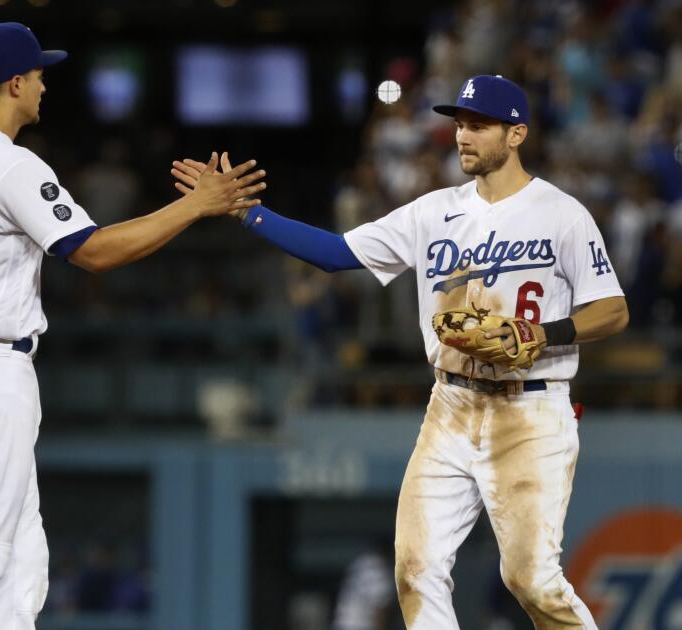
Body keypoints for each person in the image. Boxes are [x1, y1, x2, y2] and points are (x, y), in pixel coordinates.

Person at [173, 75, 627, 629]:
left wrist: (543, 335)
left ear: (516, 134)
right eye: (459, 123)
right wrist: (248, 212)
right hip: (451, 404)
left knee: (530, 580)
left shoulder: (561, 213)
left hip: (530, 407)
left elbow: (612, 310)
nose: (463, 135)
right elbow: (337, 253)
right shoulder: (431, 212)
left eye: (478, 125)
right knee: (416, 568)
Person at [0, 22, 264, 630]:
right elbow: (94, 252)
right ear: (14, 83)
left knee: (22, 556)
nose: (43, 83)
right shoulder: (8, 164)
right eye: (37, 73)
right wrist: (196, 206)